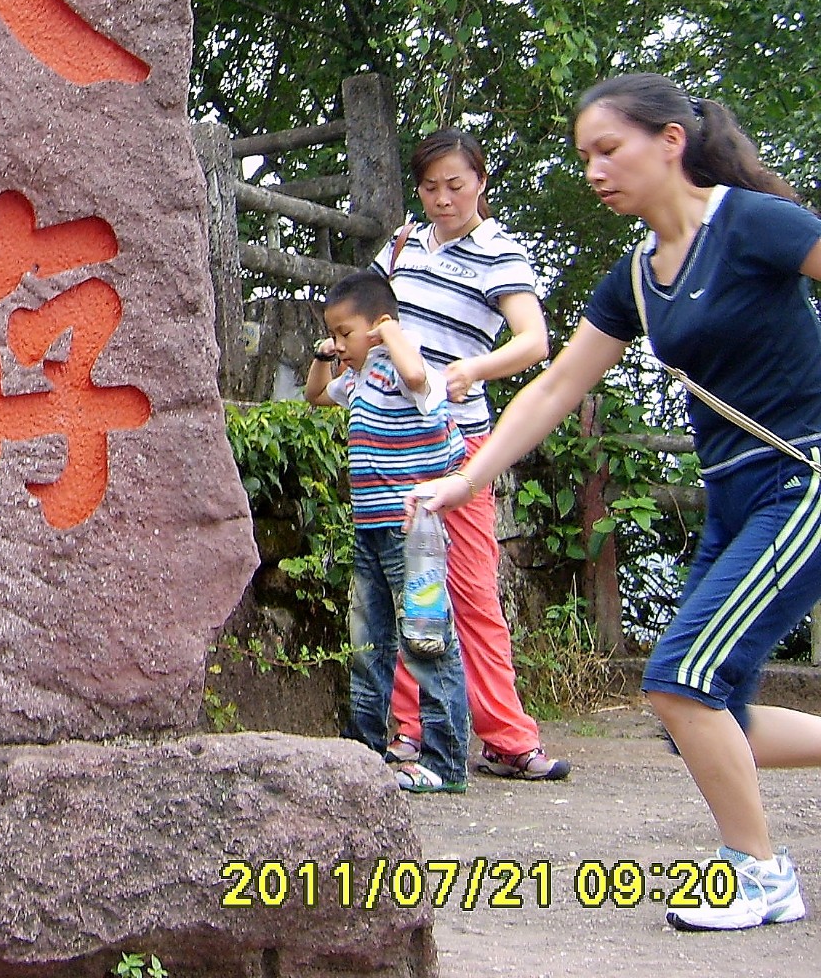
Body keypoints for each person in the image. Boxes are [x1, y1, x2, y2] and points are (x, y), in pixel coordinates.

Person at [411, 75, 821, 929]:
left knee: (682, 681)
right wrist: (468, 478)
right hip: (735, 497)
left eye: (609, 149)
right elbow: (556, 386)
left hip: (801, 480)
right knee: (698, 717)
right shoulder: (636, 275)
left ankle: (760, 874)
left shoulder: (753, 223)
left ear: (671, 140)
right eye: (584, 157)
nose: (594, 171)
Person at [374, 128, 569, 782]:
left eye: (455, 185)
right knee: (411, 585)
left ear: (480, 182)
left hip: (460, 443)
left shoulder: (499, 251)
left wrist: (475, 368)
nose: (443, 198)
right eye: (430, 187)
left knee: (472, 589)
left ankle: (508, 738)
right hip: (392, 438)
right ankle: (411, 730)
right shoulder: (402, 242)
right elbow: (367, 310)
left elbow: (534, 341)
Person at [308, 269, 471, 793]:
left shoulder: (404, 367)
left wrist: (391, 333)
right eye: (333, 334)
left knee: (427, 641)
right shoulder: (356, 378)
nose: (339, 343)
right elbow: (315, 395)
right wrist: (324, 355)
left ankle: (445, 762)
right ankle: (364, 748)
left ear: (378, 327)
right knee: (367, 642)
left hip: (413, 536)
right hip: (370, 531)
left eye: (344, 333)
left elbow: (419, 378)